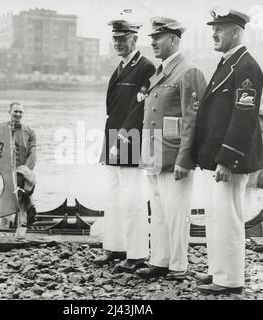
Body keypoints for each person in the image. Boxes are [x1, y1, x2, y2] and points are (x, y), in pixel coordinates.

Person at [191, 8, 263, 295]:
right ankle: (217, 270)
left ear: (236, 32)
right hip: (217, 159)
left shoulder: (246, 67)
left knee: (229, 219)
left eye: (220, 28)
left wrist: (228, 158)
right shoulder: (229, 63)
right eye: (214, 27)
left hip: (231, 161)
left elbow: (244, 117)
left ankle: (231, 279)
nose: (214, 33)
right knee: (216, 218)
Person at [134, 17, 207, 280]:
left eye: (158, 37)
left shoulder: (188, 72)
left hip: (174, 156)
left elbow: (193, 120)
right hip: (155, 155)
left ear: (174, 40)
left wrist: (184, 159)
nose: (152, 42)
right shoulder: (161, 72)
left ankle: (178, 264)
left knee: (177, 214)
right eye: (152, 37)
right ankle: (160, 260)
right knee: (160, 212)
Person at [94, 19, 156, 273]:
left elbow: (139, 108)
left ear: (134, 39)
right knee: (114, 196)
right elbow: (113, 108)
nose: (118, 43)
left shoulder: (145, 67)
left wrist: (122, 139)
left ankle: (137, 253)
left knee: (133, 197)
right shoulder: (120, 68)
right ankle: (116, 246)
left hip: (129, 136)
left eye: (123, 38)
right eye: (115, 38)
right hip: (113, 136)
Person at [0, 102, 37, 228]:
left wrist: (23, 172)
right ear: (9, 112)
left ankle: (21, 230)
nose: (18, 114)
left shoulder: (30, 131)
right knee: (5, 204)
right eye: (15, 111)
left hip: (22, 173)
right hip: (6, 173)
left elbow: (33, 153)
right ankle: (3, 231)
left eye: (21, 112)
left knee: (22, 203)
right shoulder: (1, 129)